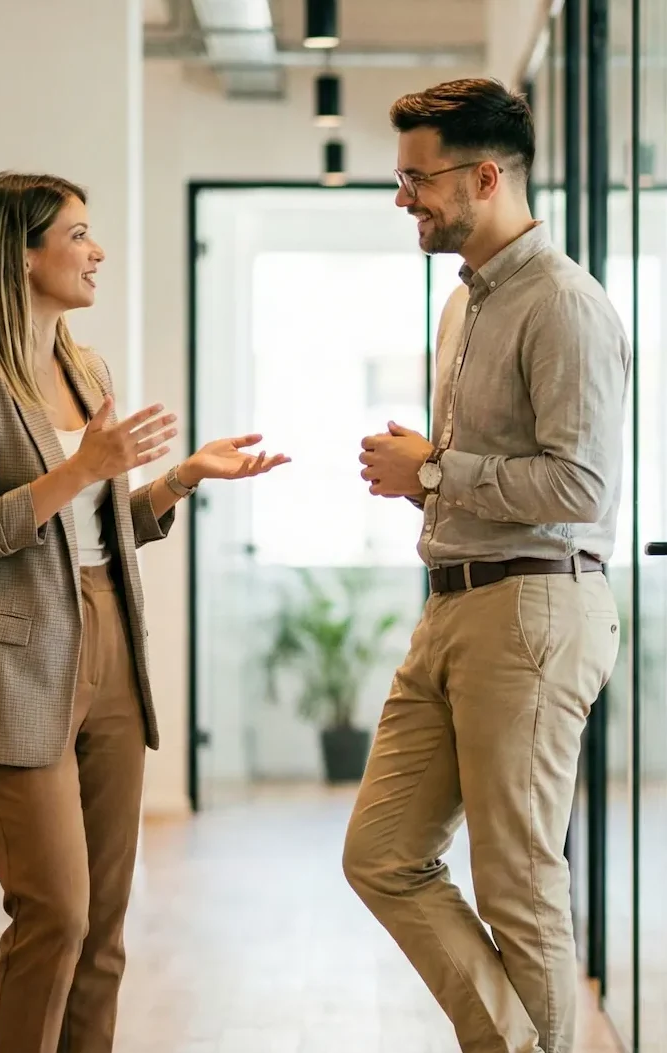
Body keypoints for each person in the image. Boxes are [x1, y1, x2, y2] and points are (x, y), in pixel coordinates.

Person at [0, 171, 289, 1053]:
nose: (98, 252)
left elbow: (100, 530)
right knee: (54, 914)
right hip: (11, 662)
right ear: (21, 252)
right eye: (78, 234)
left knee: (106, 931)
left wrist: (181, 478)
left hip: (111, 635)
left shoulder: (88, 368)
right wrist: (84, 467)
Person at [342, 80, 630, 1053]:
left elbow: (581, 489)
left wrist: (432, 467)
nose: (402, 200)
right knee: (381, 854)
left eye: (415, 180)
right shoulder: (464, 307)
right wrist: (431, 481)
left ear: (483, 176)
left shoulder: (564, 304)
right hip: (454, 607)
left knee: (517, 884)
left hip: (533, 611)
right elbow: (494, 475)